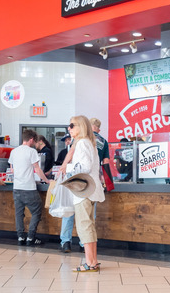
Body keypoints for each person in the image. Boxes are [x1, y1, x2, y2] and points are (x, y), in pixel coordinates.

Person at [62, 115, 105, 272]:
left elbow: (84, 167)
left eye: (72, 125)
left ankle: (90, 262)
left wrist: (68, 168)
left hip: (83, 191)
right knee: (89, 226)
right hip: (91, 190)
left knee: (84, 226)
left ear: (81, 127)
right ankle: (93, 260)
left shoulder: (82, 143)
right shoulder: (90, 143)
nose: (69, 128)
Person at [9, 129, 51, 246]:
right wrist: (47, 180)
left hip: (16, 188)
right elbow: (37, 169)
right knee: (37, 212)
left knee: (19, 213)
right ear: (31, 139)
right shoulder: (31, 151)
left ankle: (21, 237)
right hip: (29, 188)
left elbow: (12, 170)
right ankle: (31, 237)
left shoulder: (14, 151)